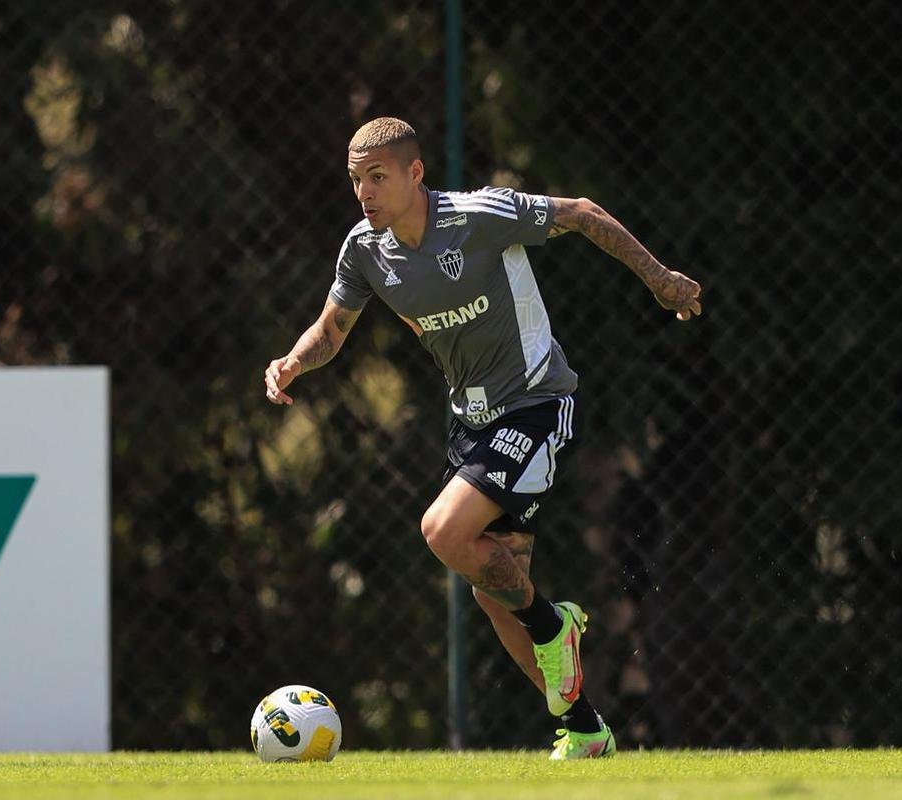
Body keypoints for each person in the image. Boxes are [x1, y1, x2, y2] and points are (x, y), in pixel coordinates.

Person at [263, 117, 701, 759]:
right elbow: (331, 330)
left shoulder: (478, 215)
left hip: (535, 402)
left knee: (444, 532)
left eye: (377, 177)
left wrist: (659, 278)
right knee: (495, 588)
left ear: (416, 173)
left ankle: (556, 627)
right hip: (470, 422)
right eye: (357, 181)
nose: (365, 193)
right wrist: (294, 362)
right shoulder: (364, 251)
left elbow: (578, 211)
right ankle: (585, 728)